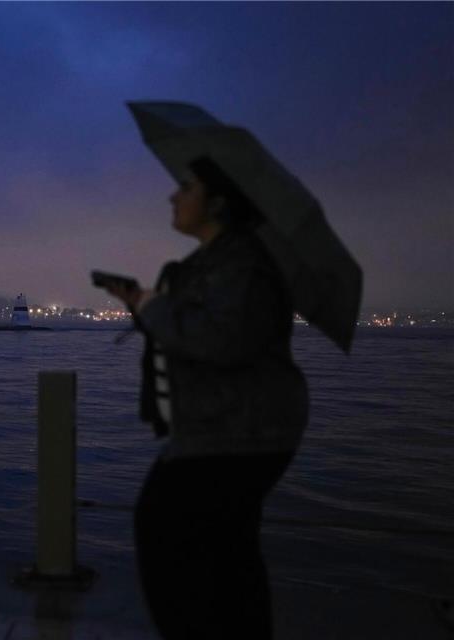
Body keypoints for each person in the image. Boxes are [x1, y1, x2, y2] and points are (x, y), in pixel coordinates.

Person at [104, 156, 309, 639]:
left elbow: (221, 341)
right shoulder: (214, 262)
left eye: (186, 187)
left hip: (239, 429)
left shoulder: (243, 264)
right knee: (228, 553)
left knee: (167, 534)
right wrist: (143, 303)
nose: (173, 196)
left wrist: (152, 307)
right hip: (230, 425)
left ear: (218, 202)